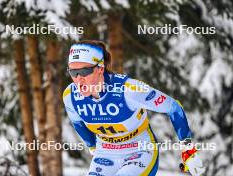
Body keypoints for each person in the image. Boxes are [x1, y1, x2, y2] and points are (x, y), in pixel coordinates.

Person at [62, 40, 205, 176]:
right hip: (105, 152)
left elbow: (173, 107)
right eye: (73, 72)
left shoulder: (130, 90)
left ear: (100, 68)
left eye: (85, 71)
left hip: (140, 150)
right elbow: (78, 123)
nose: (79, 80)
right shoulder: (70, 96)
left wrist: (188, 150)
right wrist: (93, 148)